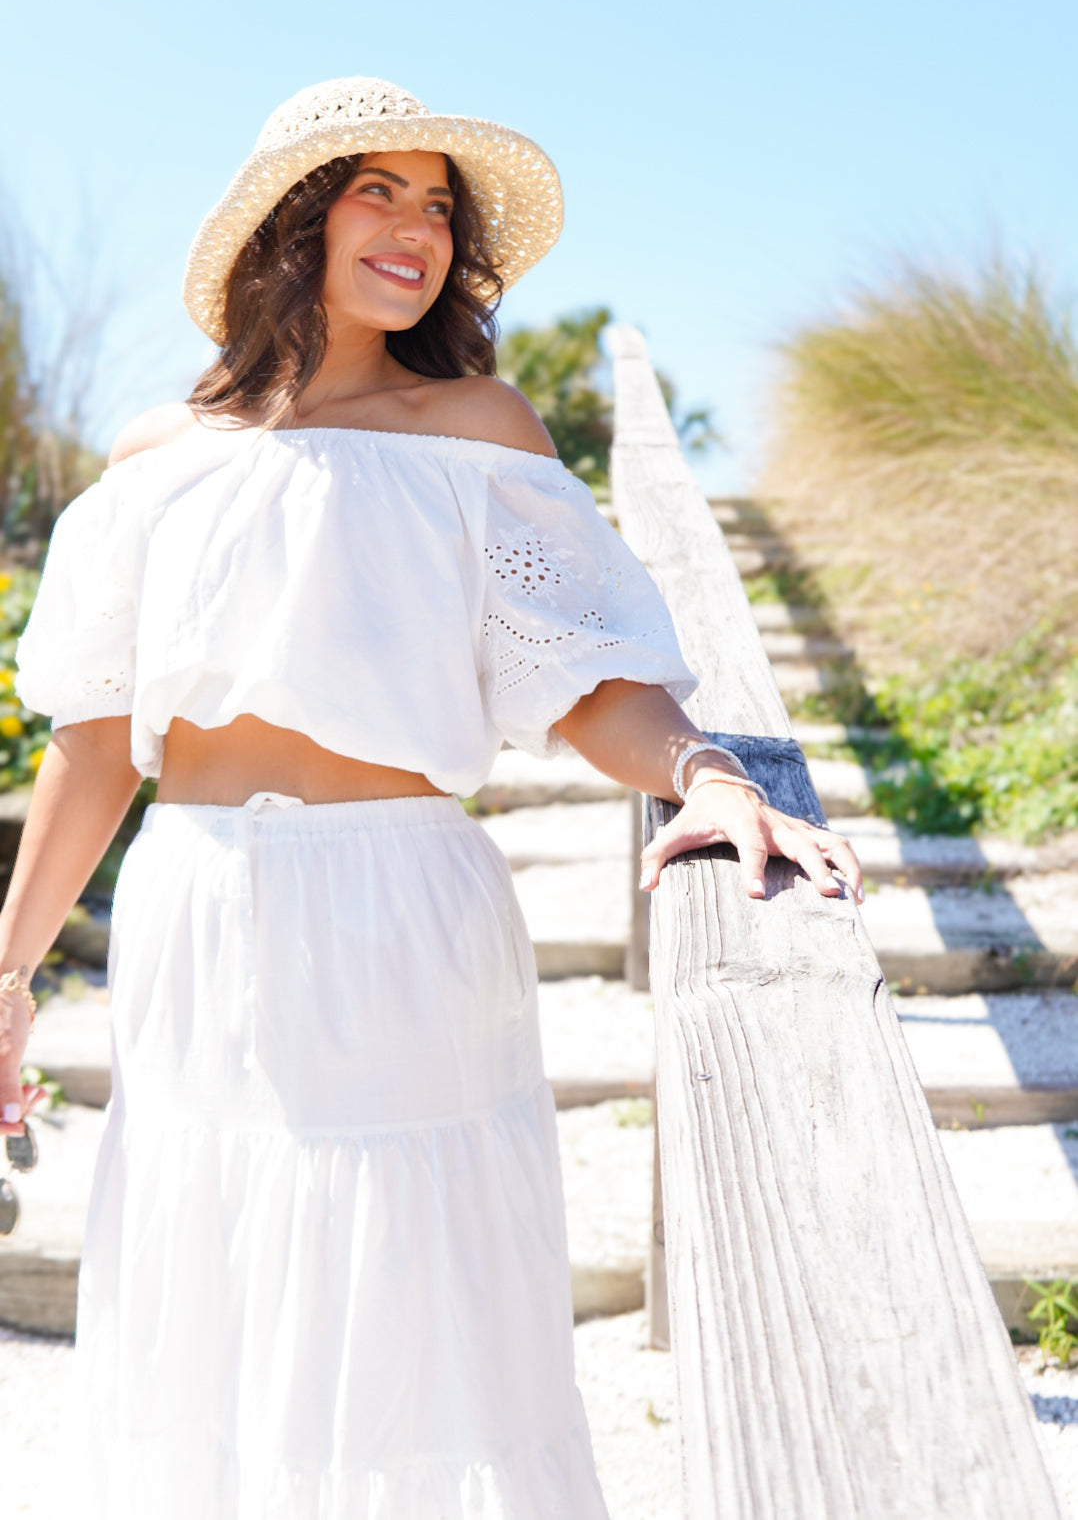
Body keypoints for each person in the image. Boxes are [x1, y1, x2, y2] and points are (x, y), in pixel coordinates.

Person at [0, 76, 863, 1518]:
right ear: (295, 222)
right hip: (194, 912)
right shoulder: (159, 458)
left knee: (412, 1307)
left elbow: (587, 675)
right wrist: (8, 965)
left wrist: (705, 772)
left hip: (400, 909)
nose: (415, 228)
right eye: (376, 191)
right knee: (211, 1296)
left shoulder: (478, 425)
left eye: (438, 205)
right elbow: (92, 747)